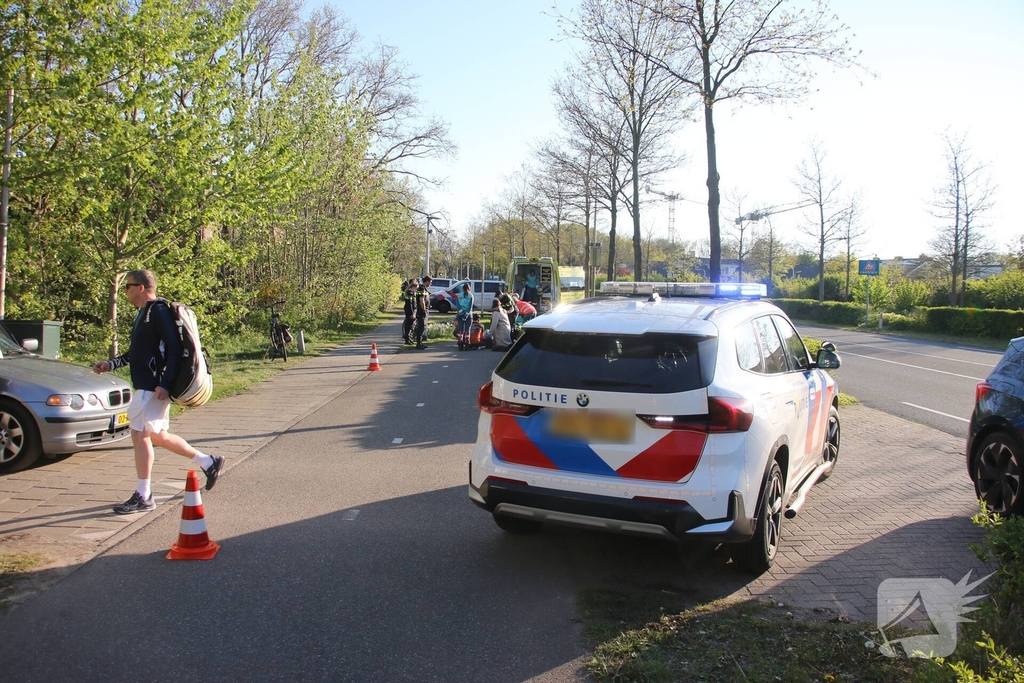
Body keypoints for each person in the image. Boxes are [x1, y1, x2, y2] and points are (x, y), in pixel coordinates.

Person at [92, 269, 224, 514]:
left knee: (140, 435)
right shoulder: (143, 313)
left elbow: (175, 349)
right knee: (157, 436)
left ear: (141, 287)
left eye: (128, 286)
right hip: (147, 385)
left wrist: (165, 383)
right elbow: (138, 352)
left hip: (153, 387)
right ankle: (208, 461)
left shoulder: (159, 311)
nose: (125, 291)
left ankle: (144, 495)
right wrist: (112, 364)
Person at [413, 275, 432, 349]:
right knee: (421, 327)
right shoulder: (421, 288)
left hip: (424, 309)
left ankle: (420, 342)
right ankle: (418, 343)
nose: (430, 284)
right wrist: (424, 310)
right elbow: (422, 300)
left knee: (423, 327)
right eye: (430, 282)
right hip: (422, 310)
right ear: (427, 281)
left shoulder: (424, 288)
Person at [455, 282, 474, 350]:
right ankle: (467, 343)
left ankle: (460, 343)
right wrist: (466, 313)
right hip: (468, 314)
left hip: (460, 313)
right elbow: (470, 306)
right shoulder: (471, 296)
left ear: (462, 289)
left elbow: (457, 304)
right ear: (469, 288)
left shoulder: (459, 295)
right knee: (467, 329)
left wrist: (461, 311)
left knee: (460, 329)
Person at [401, 279, 417, 344]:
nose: (416, 290)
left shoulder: (411, 293)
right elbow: (410, 304)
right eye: (416, 288)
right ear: (413, 287)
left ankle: (409, 338)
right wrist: (412, 313)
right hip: (409, 311)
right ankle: (407, 339)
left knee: (411, 325)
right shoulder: (409, 293)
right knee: (409, 325)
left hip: (411, 311)